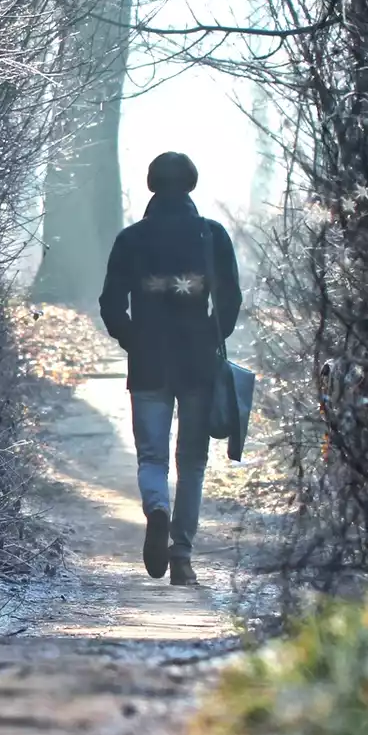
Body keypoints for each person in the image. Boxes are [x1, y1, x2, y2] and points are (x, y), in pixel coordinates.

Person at [98, 152, 241, 585]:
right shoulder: (211, 235)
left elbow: (110, 303)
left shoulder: (131, 239)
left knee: (153, 455)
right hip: (197, 361)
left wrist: (132, 337)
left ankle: (157, 508)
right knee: (192, 460)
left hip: (148, 361)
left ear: (151, 184)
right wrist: (215, 339)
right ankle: (181, 556)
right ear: (192, 186)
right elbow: (230, 299)